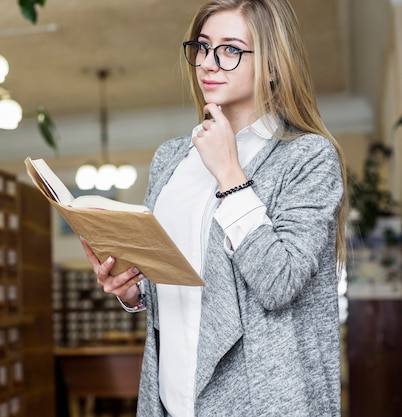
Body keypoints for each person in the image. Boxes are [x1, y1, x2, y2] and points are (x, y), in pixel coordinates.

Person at [80, 0, 348, 416]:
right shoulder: (171, 159)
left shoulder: (308, 157)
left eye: (230, 49)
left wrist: (229, 173)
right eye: (202, 47)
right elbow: (188, 278)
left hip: (262, 400)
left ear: (274, 63)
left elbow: (279, 283)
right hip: (171, 396)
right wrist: (133, 289)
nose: (208, 63)